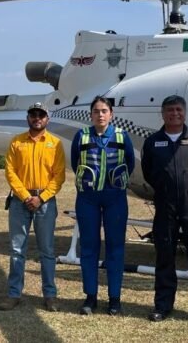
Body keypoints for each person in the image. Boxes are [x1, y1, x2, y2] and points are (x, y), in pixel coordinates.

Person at [141, 95, 188, 327]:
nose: (174, 114)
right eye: (169, 110)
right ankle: (163, 306)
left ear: (184, 113)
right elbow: (148, 172)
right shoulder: (152, 142)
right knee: (165, 255)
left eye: (178, 110)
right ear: (162, 114)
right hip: (165, 205)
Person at [0, 102, 66, 312]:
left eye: (41, 114)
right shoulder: (16, 142)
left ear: (48, 118)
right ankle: (13, 294)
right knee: (17, 250)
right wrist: (26, 196)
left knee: (47, 251)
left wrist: (41, 197)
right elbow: (11, 172)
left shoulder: (55, 144)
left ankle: (50, 295)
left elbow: (59, 176)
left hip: (45, 203)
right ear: (28, 117)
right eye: (33, 114)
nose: (37, 118)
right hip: (20, 202)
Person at [71, 96, 135, 316]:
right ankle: (90, 297)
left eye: (104, 110)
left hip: (115, 197)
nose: (100, 114)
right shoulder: (81, 136)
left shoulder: (121, 135)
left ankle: (114, 298)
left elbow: (130, 163)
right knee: (89, 247)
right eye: (96, 110)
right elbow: (74, 162)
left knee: (115, 248)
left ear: (111, 114)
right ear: (91, 114)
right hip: (87, 198)